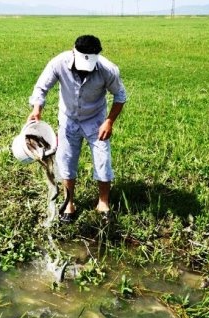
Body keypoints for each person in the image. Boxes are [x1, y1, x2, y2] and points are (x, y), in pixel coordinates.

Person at [27, 35, 127, 222]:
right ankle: (69, 202)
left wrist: (109, 121)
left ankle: (103, 202)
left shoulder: (108, 70)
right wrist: (37, 108)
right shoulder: (59, 63)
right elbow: (42, 87)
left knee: (102, 160)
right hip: (68, 119)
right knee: (66, 160)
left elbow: (120, 95)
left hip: (96, 120)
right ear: (73, 51)